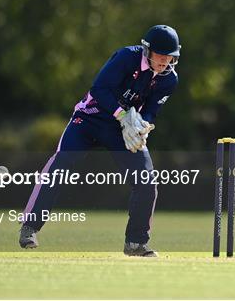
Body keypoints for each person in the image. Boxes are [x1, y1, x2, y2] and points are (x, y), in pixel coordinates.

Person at [18, 25, 181, 257]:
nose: (165, 62)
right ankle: (29, 228)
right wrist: (123, 115)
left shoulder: (169, 80)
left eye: (170, 58)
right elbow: (99, 89)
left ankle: (136, 243)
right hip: (90, 118)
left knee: (146, 181)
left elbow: (151, 111)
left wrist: (143, 126)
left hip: (121, 131)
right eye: (161, 57)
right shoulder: (126, 57)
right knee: (61, 165)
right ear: (148, 51)